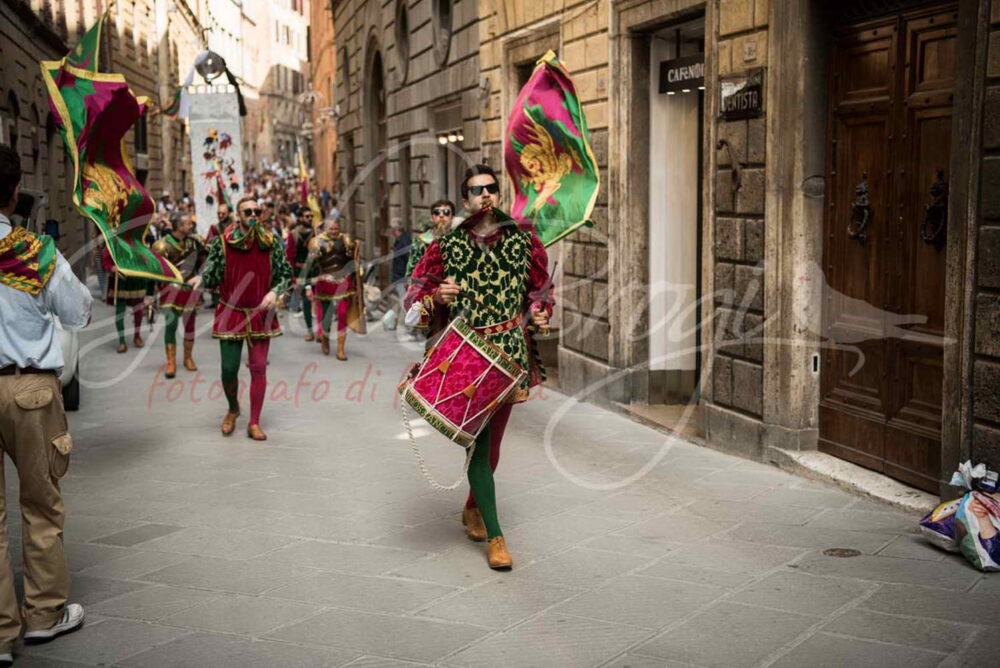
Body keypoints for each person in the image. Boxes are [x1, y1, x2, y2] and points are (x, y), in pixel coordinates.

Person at [406, 165, 553, 569]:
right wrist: (437, 295)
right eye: (476, 190)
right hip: (468, 353)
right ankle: (496, 537)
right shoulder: (447, 245)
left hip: (510, 353)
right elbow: (416, 293)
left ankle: (473, 505)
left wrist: (541, 310)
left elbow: (539, 289)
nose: (485, 195)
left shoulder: (525, 239)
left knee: (494, 446)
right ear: (465, 199)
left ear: (498, 194)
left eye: (491, 188)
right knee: (481, 442)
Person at [0, 145, 91, 661]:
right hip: (30, 388)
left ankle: (0, 632)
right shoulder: (34, 252)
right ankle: (43, 614)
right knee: (40, 503)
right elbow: (76, 313)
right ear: (15, 192)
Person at [189, 196, 291, 441]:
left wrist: (274, 292)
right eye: (248, 212)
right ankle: (233, 408)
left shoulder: (271, 242)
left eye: (257, 211)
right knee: (228, 369)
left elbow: (286, 275)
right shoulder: (222, 242)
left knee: (259, 368)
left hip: (261, 313)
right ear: (238, 215)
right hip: (231, 311)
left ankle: (254, 422)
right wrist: (202, 278)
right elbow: (212, 273)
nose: (253, 215)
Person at [151, 214, 206, 378]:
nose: (191, 226)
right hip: (170, 289)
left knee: (190, 325)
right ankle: (171, 361)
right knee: (171, 324)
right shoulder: (162, 246)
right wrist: (149, 294)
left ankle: (188, 358)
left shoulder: (194, 242)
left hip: (189, 288)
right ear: (179, 226)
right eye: (188, 223)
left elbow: (205, 259)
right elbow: (153, 270)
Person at [304, 218, 360, 359]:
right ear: (326, 229)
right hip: (325, 282)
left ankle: (341, 349)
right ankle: (325, 339)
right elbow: (310, 267)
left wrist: (357, 282)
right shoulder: (316, 242)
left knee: (342, 313)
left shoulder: (347, 240)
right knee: (326, 317)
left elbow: (353, 262)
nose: (334, 232)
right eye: (331, 229)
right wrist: (308, 286)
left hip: (344, 281)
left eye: (336, 229)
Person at [101, 247, 152, 353]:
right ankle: (122, 341)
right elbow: (106, 259)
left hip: (136, 278)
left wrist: (145, 259)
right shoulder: (114, 242)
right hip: (121, 280)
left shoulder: (137, 242)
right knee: (120, 311)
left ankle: (137, 336)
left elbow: (148, 259)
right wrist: (111, 267)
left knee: (138, 310)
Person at [285, 208, 318, 340]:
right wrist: (292, 276)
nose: (310, 218)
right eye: (307, 216)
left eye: (311, 216)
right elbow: (290, 256)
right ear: (300, 218)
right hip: (301, 271)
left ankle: (322, 331)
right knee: (306, 301)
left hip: (316, 271)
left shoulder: (317, 233)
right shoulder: (293, 235)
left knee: (320, 299)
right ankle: (310, 330)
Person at [406, 199, 454, 279]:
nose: (441, 216)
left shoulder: (459, 239)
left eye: (446, 212)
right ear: (432, 218)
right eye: (437, 212)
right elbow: (411, 269)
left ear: (452, 217)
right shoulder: (420, 240)